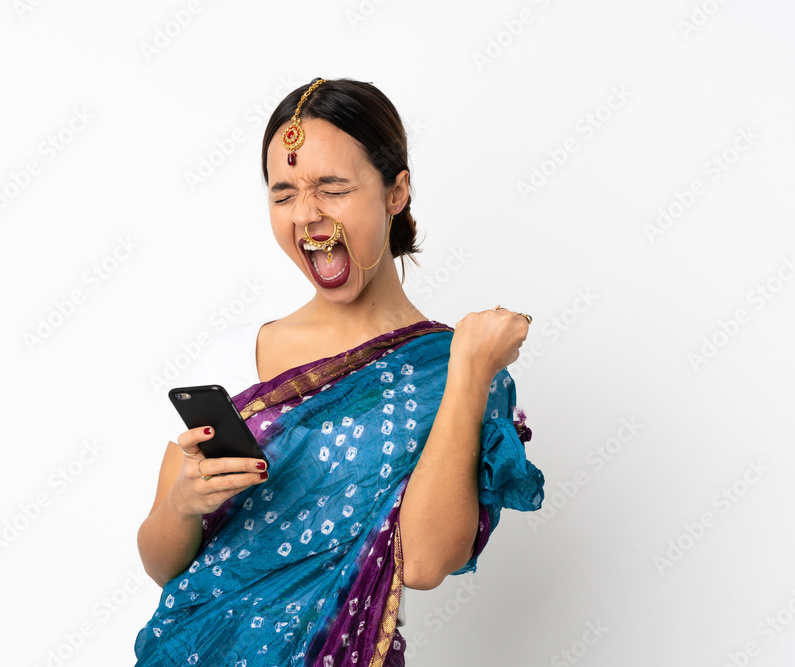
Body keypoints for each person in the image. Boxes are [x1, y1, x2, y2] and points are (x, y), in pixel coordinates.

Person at [134, 78, 545, 666]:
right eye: (283, 195)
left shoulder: (456, 371)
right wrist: (182, 504)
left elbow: (425, 562)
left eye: (332, 189)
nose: (307, 215)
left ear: (396, 191)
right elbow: (162, 566)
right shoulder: (236, 355)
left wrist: (470, 368)